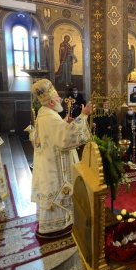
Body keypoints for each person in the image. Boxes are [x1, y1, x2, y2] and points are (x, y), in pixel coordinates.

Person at [31, 79, 92, 237]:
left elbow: (55, 133)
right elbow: (65, 139)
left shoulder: (44, 114)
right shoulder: (50, 117)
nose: (59, 99)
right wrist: (84, 115)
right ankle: (57, 225)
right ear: (51, 102)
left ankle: (51, 222)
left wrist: (65, 122)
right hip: (54, 166)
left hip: (47, 162)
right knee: (57, 191)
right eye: (57, 97)